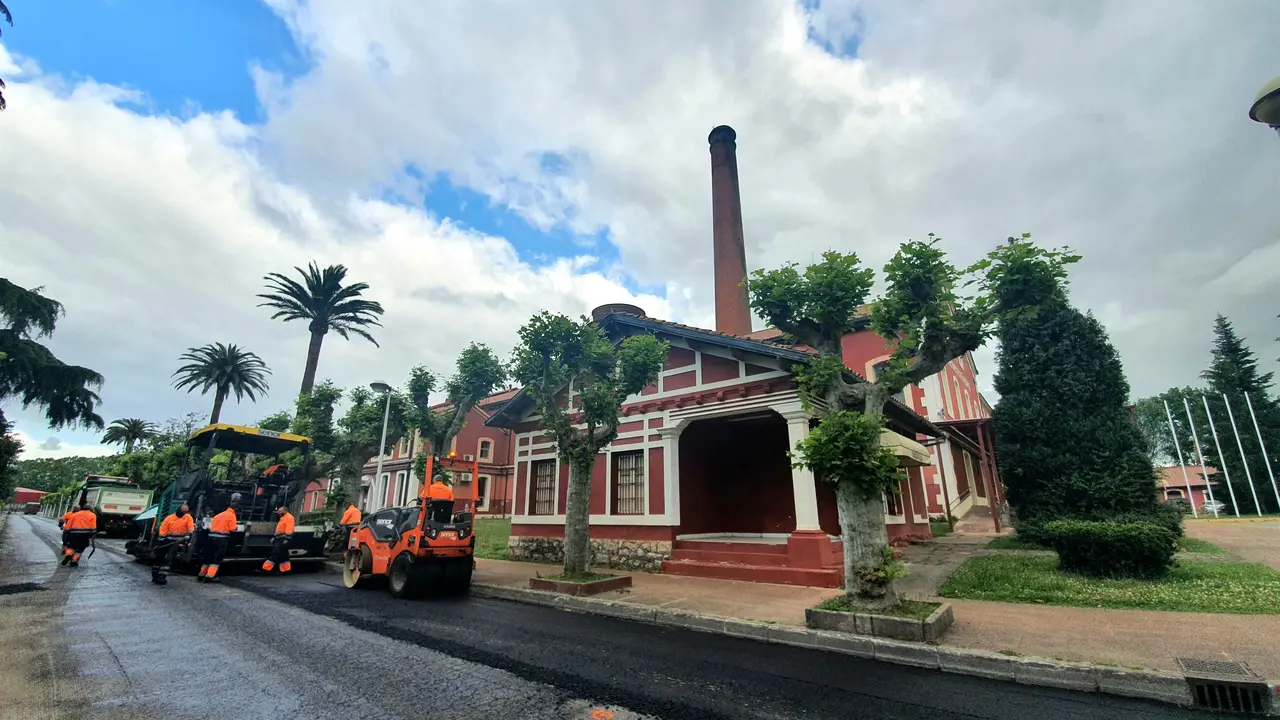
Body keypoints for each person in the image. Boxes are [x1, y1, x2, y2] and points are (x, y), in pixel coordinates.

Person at [198, 493, 240, 583]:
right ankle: (209, 576)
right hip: (221, 540)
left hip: (211, 538)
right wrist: (236, 527)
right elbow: (232, 529)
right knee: (217, 559)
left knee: (208, 557)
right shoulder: (232, 515)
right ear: (235, 510)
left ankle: (201, 575)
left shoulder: (218, 515)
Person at [151, 504, 195, 585]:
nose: (184, 514)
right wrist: (160, 542)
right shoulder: (169, 518)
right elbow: (163, 530)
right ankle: (154, 575)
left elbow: (191, 527)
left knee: (169, 558)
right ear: (179, 510)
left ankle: (162, 576)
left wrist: (189, 534)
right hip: (166, 540)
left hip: (176, 541)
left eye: (185, 512)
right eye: (183, 512)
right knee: (159, 557)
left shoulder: (188, 517)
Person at [261, 504, 295, 574]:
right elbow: (279, 529)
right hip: (280, 538)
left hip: (283, 539)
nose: (278, 513)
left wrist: (287, 539)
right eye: (278, 511)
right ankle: (286, 569)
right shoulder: (283, 517)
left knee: (275, 553)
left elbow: (289, 530)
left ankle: (266, 568)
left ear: (285, 511)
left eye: (280, 511)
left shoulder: (289, 518)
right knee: (284, 555)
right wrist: (274, 537)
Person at [62, 503, 97, 568]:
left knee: (71, 546)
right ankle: (74, 561)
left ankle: (68, 555)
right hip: (84, 535)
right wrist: (93, 533)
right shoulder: (93, 515)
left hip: (73, 534)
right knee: (80, 549)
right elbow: (93, 526)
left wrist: (67, 531)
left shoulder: (75, 514)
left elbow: (69, 524)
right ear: (90, 509)